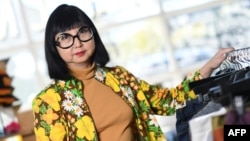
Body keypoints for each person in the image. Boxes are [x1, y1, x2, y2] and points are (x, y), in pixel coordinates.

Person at [31, 4, 234, 141]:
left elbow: (169, 101)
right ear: (54, 46)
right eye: (65, 37)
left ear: (93, 34)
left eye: (83, 32)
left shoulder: (119, 77)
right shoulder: (48, 101)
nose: (77, 43)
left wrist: (210, 66)